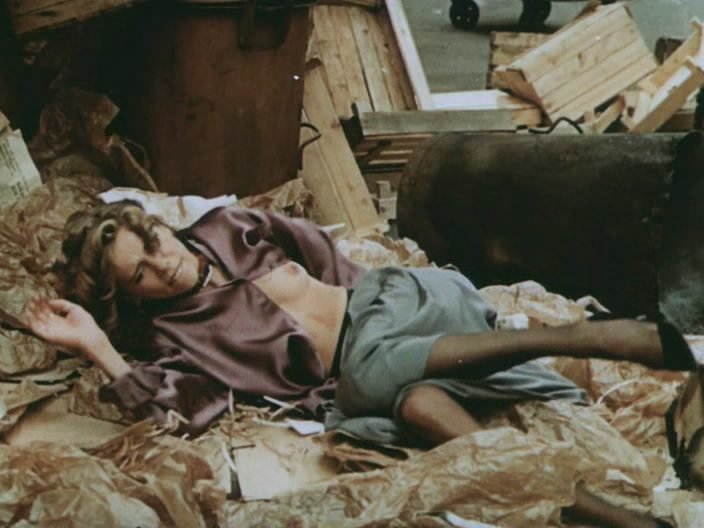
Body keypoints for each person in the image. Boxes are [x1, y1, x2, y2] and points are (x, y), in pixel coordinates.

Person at [25, 200, 689, 528]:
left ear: (159, 226)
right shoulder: (168, 338)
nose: (160, 265)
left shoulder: (230, 225)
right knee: (410, 405)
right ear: (131, 296)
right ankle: (608, 516)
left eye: (152, 244)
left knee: (373, 376)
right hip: (382, 371)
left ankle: (577, 338)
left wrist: (370, 311)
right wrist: (96, 345)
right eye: (138, 275)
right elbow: (182, 410)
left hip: (396, 305)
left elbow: (324, 255)